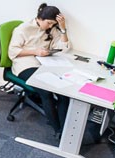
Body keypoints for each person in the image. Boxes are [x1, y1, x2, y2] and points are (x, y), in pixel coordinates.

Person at [7, 3, 70, 133]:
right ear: (40, 18)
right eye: (49, 23)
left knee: (64, 93)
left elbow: (65, 48)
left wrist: (63, 29)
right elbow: (13, 52)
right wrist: (35, 51)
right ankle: (58, 130)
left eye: (53, 24)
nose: (51, 26)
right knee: (46, 92)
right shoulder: (23, 29)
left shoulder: (51, 29)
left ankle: (65, 129)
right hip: (25, 64)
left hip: (44, 63)